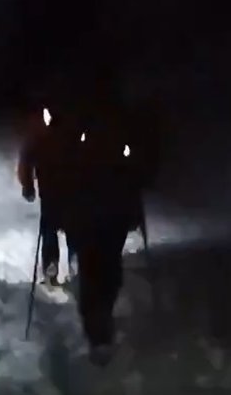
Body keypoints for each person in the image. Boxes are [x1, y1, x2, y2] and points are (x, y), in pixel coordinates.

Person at [67, 87, 157, 363]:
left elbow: (130, 175)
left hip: (105, 219)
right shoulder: (90, 144)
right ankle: (98, 331)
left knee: (104, 274)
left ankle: (100, 327)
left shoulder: (111, 142)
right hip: (95, 220)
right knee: (97, 274)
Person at [17, 91, 83, 284]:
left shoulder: (45, 135)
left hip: (56, 188)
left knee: (53, 226)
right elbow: (27, 159)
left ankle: (54, 264)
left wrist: (28, 185)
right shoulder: (65, 134)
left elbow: (27, 159)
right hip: (64, 188)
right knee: (67, 225)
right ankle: (67, 261)